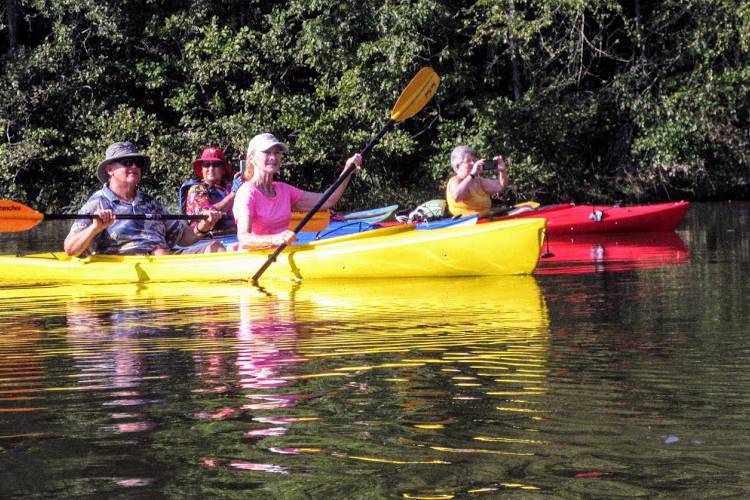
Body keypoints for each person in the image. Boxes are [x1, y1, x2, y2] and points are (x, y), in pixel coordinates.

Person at [64, 141, 225, 257]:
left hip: (165, 261)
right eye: (127, 162)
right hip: (129, 270)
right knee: (161, 253)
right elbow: (70, 249)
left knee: (216, 247)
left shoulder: (151, 203)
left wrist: (206, 225)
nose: (134, 167)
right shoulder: (97, 202)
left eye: (138, 163)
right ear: (110, 169)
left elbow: (183, 237)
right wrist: (95, 228)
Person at [234, 133, 362, 250]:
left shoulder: (284, 190)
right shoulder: (246, 193)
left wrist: (347, 171)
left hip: (281, 255)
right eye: (267, 152)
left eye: (277, 152)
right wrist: (274, 238)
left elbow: (328, 200)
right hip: (254, 260)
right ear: (252, 158)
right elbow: (244, 239)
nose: (273, 157)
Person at [445, 144, 508, 217]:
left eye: (473, 160)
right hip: (468, 223)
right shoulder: (455, 180)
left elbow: (500, 186)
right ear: (457, 166)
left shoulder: (478, 181)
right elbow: (457, 197)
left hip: (485, 219)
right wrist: (472, 174)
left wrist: (502, 171)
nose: (473, 163)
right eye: (468, 161)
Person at [185, 146, 236, 233]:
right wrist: (233, 195)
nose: (211, 169)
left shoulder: (230, 187)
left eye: (216, 165)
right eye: (206, 165)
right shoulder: (196, 190)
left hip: (233, 237)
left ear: (223, 170)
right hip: (205, 240)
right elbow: (209, 213)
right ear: (202, 169)